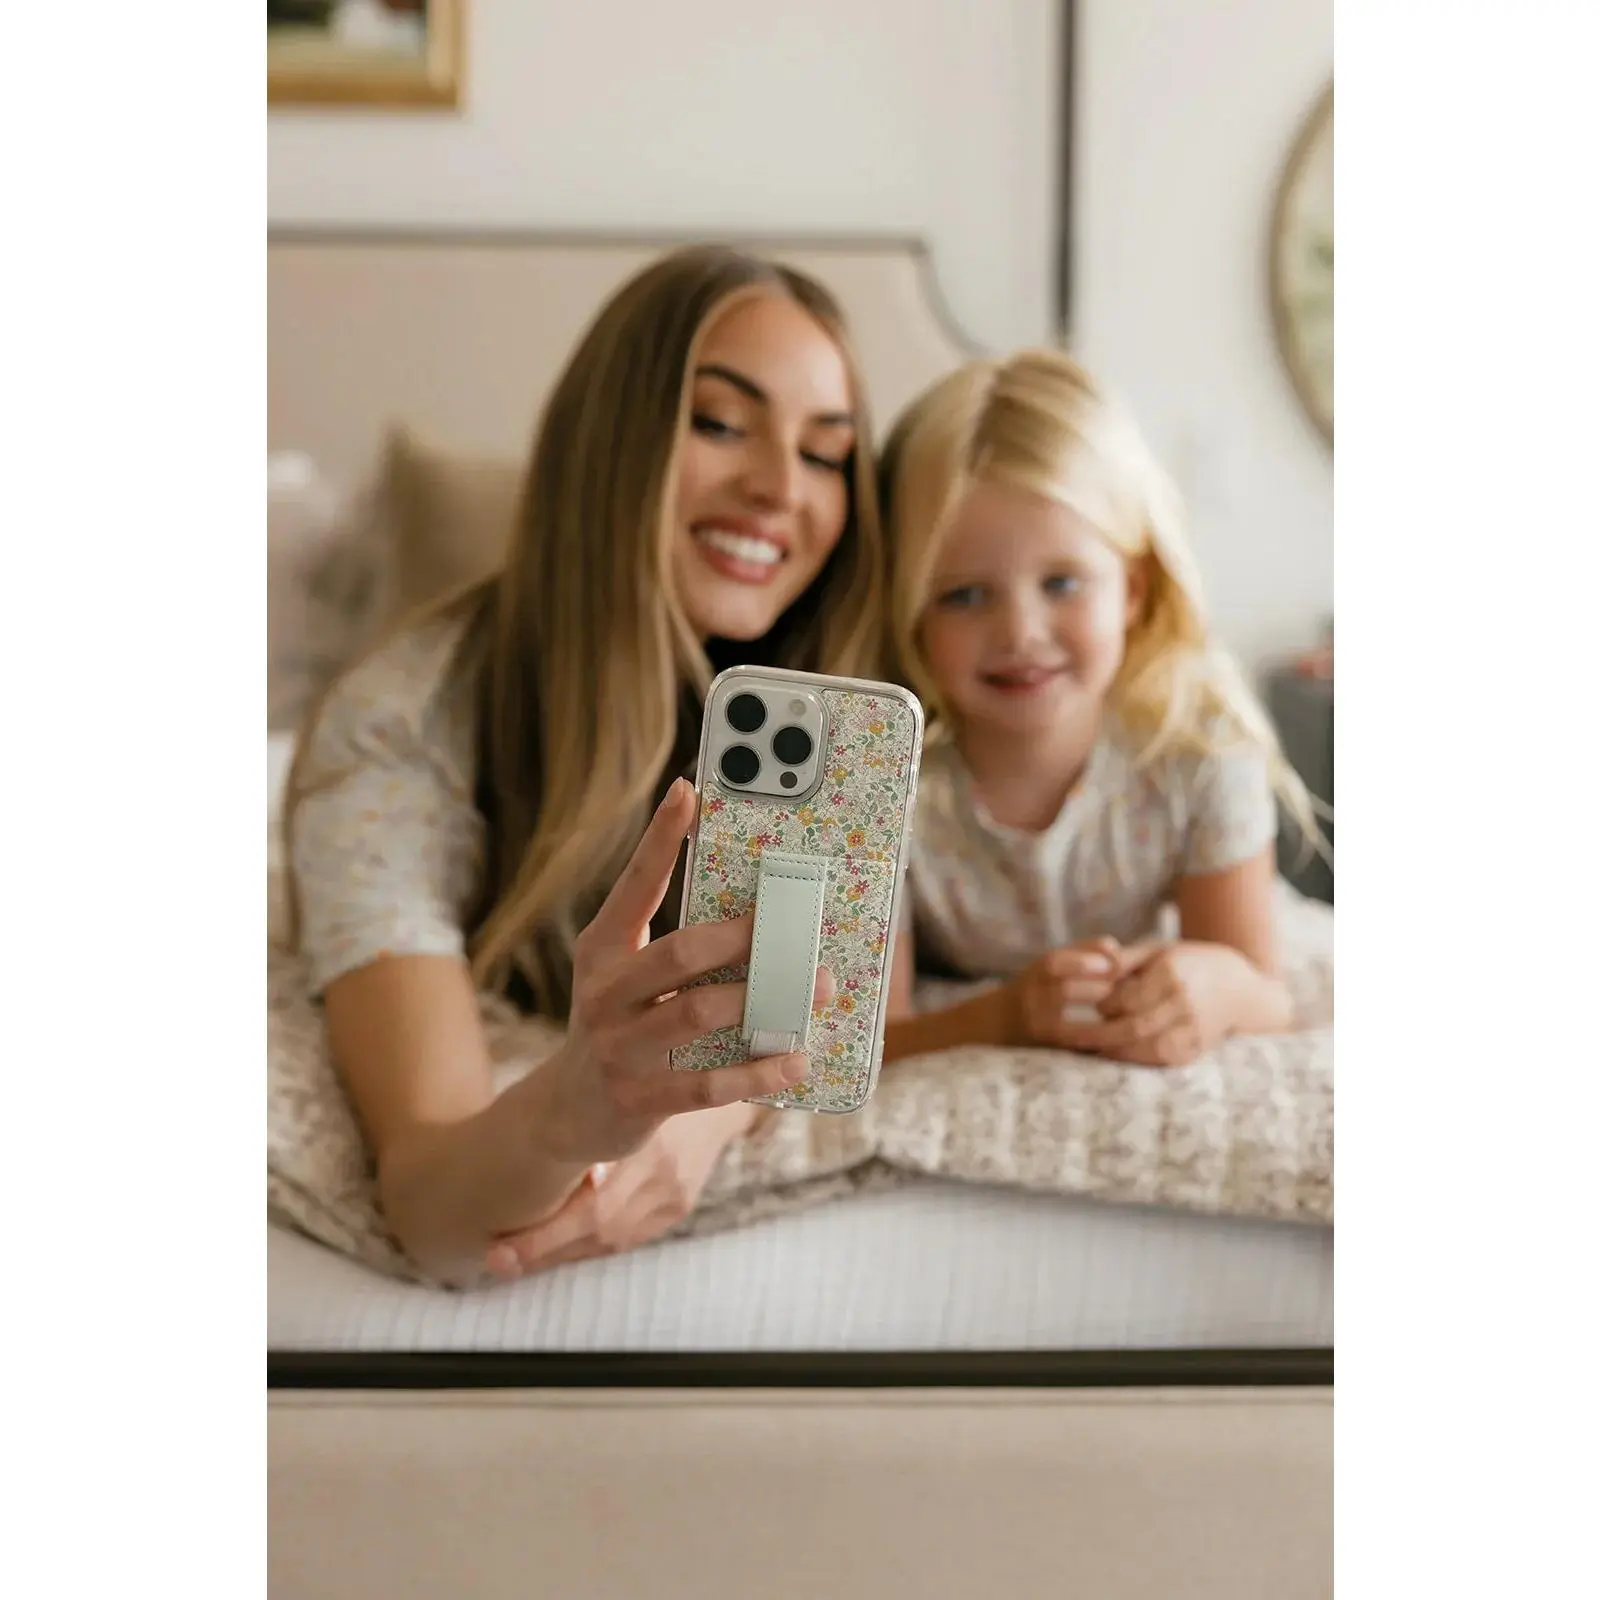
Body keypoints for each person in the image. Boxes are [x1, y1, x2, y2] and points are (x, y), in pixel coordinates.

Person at [281, 245, 886, 1285]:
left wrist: (710, 1111)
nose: (781, 489)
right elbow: (430, 1203)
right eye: (719, 423)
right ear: (609, 438)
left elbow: (876, 1003)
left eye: (826, 453)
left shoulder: (844, 706)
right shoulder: (396, 726)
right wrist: (573, 1112)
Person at [879, 349, 1325, 1069]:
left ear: (1133, 592)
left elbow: (1264, 994)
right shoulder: (882, 779)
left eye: (1062, 583)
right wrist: (1007, 1015)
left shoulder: (1197, 746)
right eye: (964, 595)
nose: (1021, 633)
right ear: (910, 613)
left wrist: (1214, 987)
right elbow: (871, 1035)